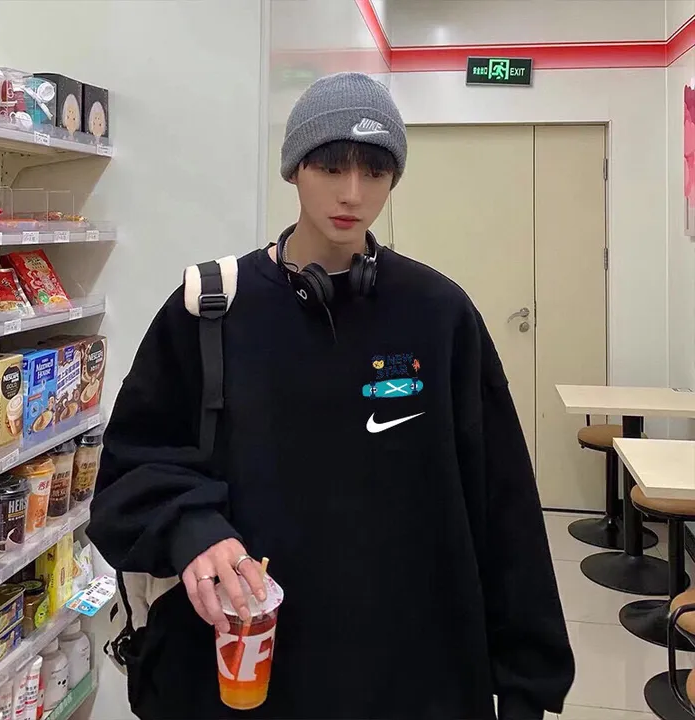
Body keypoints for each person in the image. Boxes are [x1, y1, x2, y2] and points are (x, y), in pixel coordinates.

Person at [88, 72, 574, 720]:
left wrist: (525, 684)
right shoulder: (210, 311)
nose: (352, 193)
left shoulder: (439, 315)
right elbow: (130, 469)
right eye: (330, 166)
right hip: (249, 671)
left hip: (412, 675)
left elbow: (502, 502)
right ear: (294, 168)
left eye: (375, 172)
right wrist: (193, 528)